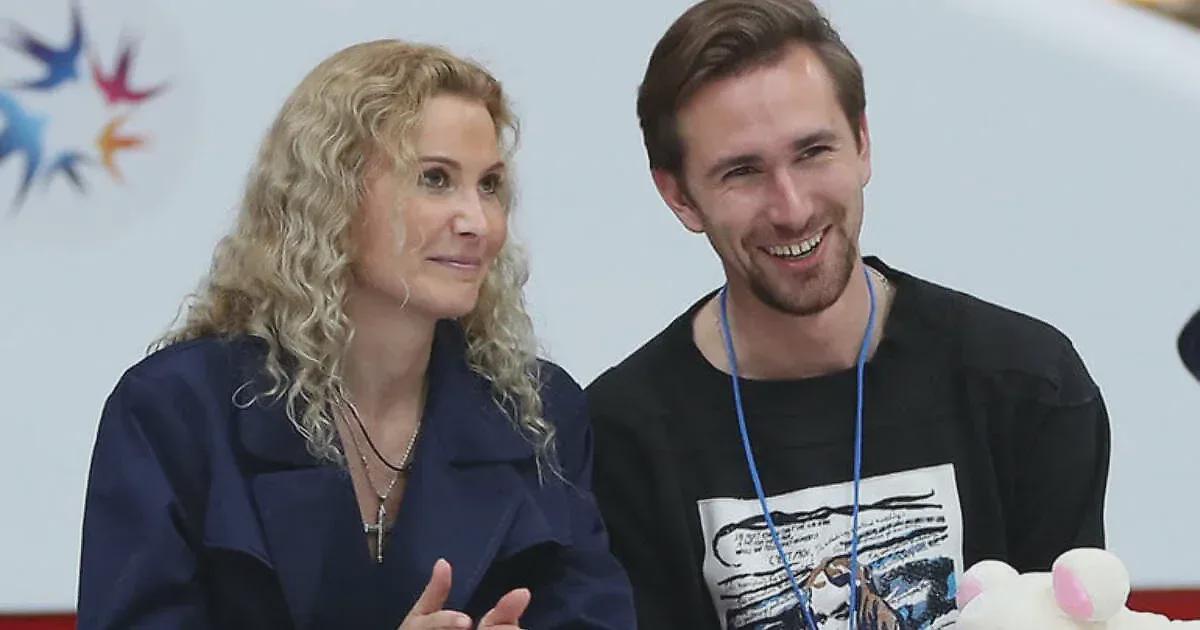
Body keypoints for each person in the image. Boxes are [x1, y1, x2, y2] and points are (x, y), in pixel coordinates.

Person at [586, 1, 1111, 628]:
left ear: (862, 143)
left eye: (813, 152)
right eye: (742, 171)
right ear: (679, 195)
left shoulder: (1024, 384)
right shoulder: (621, 438)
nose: (792, 208)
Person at [78, 39, 634, 630]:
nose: (478, 222)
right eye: (435, 179)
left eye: (490, 185)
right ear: (330, 198)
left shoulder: (539, 412)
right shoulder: (176, 410)